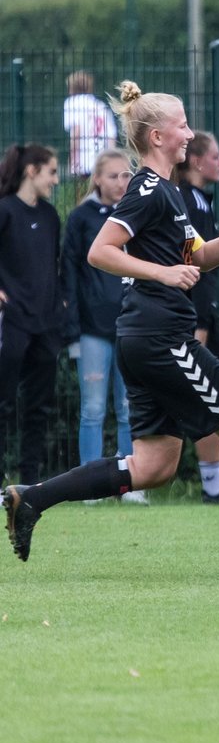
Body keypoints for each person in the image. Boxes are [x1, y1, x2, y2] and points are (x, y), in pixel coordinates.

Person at [3, 81, 219, 577]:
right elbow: (102, 251)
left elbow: (200, 258)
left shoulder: (168, 191)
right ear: (159, 136)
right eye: (182, 125)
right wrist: (163, 274)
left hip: (145, 337)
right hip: (163, 338)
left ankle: (31, 498)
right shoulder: (146, 189)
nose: (189, 133)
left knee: (154, 466)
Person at [61, 148, 147, 504]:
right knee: (93, 410)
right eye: (113, 176)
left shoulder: (136, 212)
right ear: (96, 178)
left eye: (127, 175)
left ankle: (132, 484)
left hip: (131, 325)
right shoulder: (81, 218)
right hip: (93, 330)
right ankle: (90, 488)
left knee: (129, 407)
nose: (121, 182)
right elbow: (69, 276)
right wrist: (73, 333)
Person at [0, 144, 62, 488]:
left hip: (46, 324)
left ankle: (30, 483)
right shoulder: (5, 211)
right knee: (4, 403)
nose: (55, 179)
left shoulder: (51, 216)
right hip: (12, 321)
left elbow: (54, 264)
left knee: (38, 408)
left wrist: (60, 304)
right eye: (52, 171)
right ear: (31, 171)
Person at [175, 132, 219, 503]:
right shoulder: (187, 202)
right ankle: (214, 487)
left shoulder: (198, 199)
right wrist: (199, 325)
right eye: (215, 156)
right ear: (196, 161)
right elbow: (195, 267)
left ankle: (217, 485)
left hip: (204, 315)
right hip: (194, 319)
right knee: (212, 401)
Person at [63, 71, 118, 180]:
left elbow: (76, 133)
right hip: (103, 160)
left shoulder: (72, 103)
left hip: (85, 161)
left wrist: (73, 160)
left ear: (71, 87)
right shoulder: (101, 106)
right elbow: (111, 137)